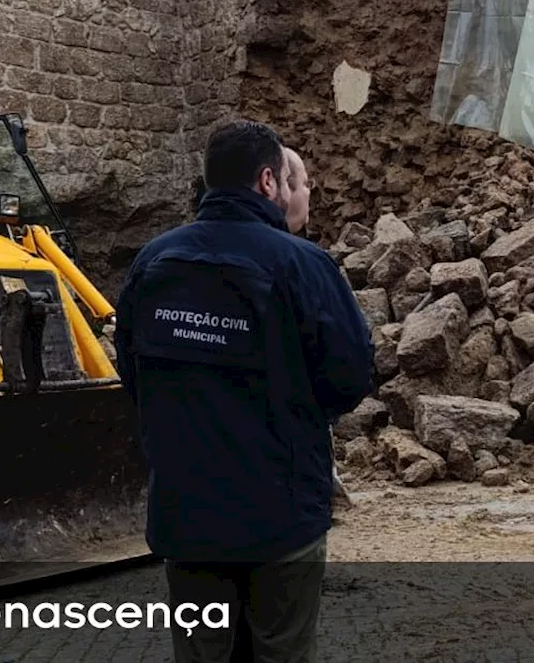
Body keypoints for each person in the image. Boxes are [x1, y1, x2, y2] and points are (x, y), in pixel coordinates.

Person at [113, 120, 375, 662]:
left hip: (186, 516)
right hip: (280, 517)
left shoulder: (154, 262)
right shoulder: (304, 266)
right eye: (291, 179)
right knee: (280, 649)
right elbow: (350, 377)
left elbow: (134, 373)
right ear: (267, 183)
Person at [278, 146, 351, 510]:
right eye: (306, 183)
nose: (310, 193)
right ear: (281, 188)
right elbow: (346, 364)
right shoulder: (306, 266)